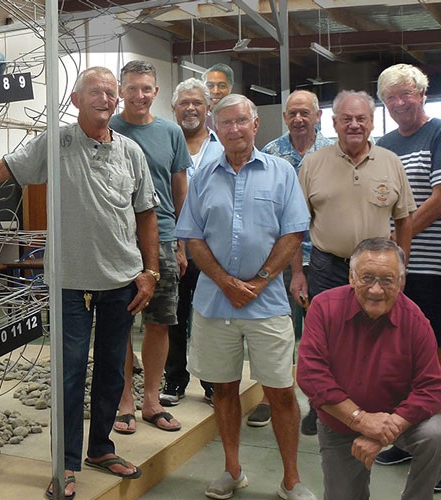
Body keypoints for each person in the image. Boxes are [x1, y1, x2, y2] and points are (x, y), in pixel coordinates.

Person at [0, 66, 158, 500]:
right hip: (69, 283)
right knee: (68, 374)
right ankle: (64, 463)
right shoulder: (58, 143)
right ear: (75, 100)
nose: (105, 99)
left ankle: (101, 448)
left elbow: (146, 214)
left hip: (122, 281)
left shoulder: (130, 152)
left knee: (110, 374)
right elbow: (3, 170)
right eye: (95, 92)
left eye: (110, 92)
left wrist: (150, 271)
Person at [176, 93, 316, 500]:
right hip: (215, 303)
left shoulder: (281, 172)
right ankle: (232, 469)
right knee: (222, 388)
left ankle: (291, 478)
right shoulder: (203, 176)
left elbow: (293, 233)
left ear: (256, 125)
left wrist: (259, 280)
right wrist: (224, 282)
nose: (234, 130)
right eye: (226, 123)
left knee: (280, 391)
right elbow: (193, 236)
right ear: (215, 129)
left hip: (267, 303)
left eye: (242, 122)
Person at [292, 90, 416, 435]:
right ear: (334, 124)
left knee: (376, 341)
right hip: (327, 267)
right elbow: (295, 225)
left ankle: (373, 408)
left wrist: (399, 267)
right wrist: (297, 273)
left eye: (361, 118)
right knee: (326, 342)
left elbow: (405, 220)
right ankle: (324, 408)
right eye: (346, 119)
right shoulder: (313, 164)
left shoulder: (391, 162)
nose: (354, 125)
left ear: (372, 122)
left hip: (377, 274)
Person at [298, 237, 441, 499]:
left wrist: (383, 431)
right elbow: (311, 376)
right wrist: (361, 419)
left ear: (401, 282)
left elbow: (431, 385)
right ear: (351, 277)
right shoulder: (323, 307)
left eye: (387, 280)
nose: (376, 290)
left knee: (438, 434)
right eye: (367, 278)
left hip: (398, 421)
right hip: (340, 422)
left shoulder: (415, 320)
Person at [372, 63, 441, 491]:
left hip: (425, 267)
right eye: (391, 96)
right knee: (395, 357)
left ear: (422, 94)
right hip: (390, 270)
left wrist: (396, 238)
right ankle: (411, 441)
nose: (400, 102)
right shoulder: (384, 144)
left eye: (407, 93)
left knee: (432, 359)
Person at [109, 60, 191, 434]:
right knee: (120, 322)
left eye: (146, 89)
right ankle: (124, 399)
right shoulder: (107, 128)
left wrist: (180, 242)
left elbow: (179, 189)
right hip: (116, 240)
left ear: (156, 93)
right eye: (132, 88)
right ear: (121, 91)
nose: (140, 95)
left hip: (164, 239)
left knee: (159, 322)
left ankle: (152, 401)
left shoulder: (171, 133)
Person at [254, 89, 332, 431]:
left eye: (305, 112)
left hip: (326, 258)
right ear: (285, 117)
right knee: (277, 332)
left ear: (318, 116)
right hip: (282, 259)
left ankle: (321, 402)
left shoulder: (334, 151)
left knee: (321, 336)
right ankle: (270, 398)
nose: (298, 119)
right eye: (292, 113)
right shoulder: (271, 153)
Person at [160, 77, 223, 408]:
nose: (191, 108)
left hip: (214, 246)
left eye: (197, 102)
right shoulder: (165, 143)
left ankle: (212, 381)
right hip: (174, 243)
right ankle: (175, 379)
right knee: (175, 314)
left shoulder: (222, 146)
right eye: (184, 102)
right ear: (174, 108)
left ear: (208, 106)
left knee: (210, 316)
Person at [203, 63, 234, 129]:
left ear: (230, 88)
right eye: (210, 86)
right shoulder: (197, 121)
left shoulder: (238, 118)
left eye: (222, 86)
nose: (215, 91)